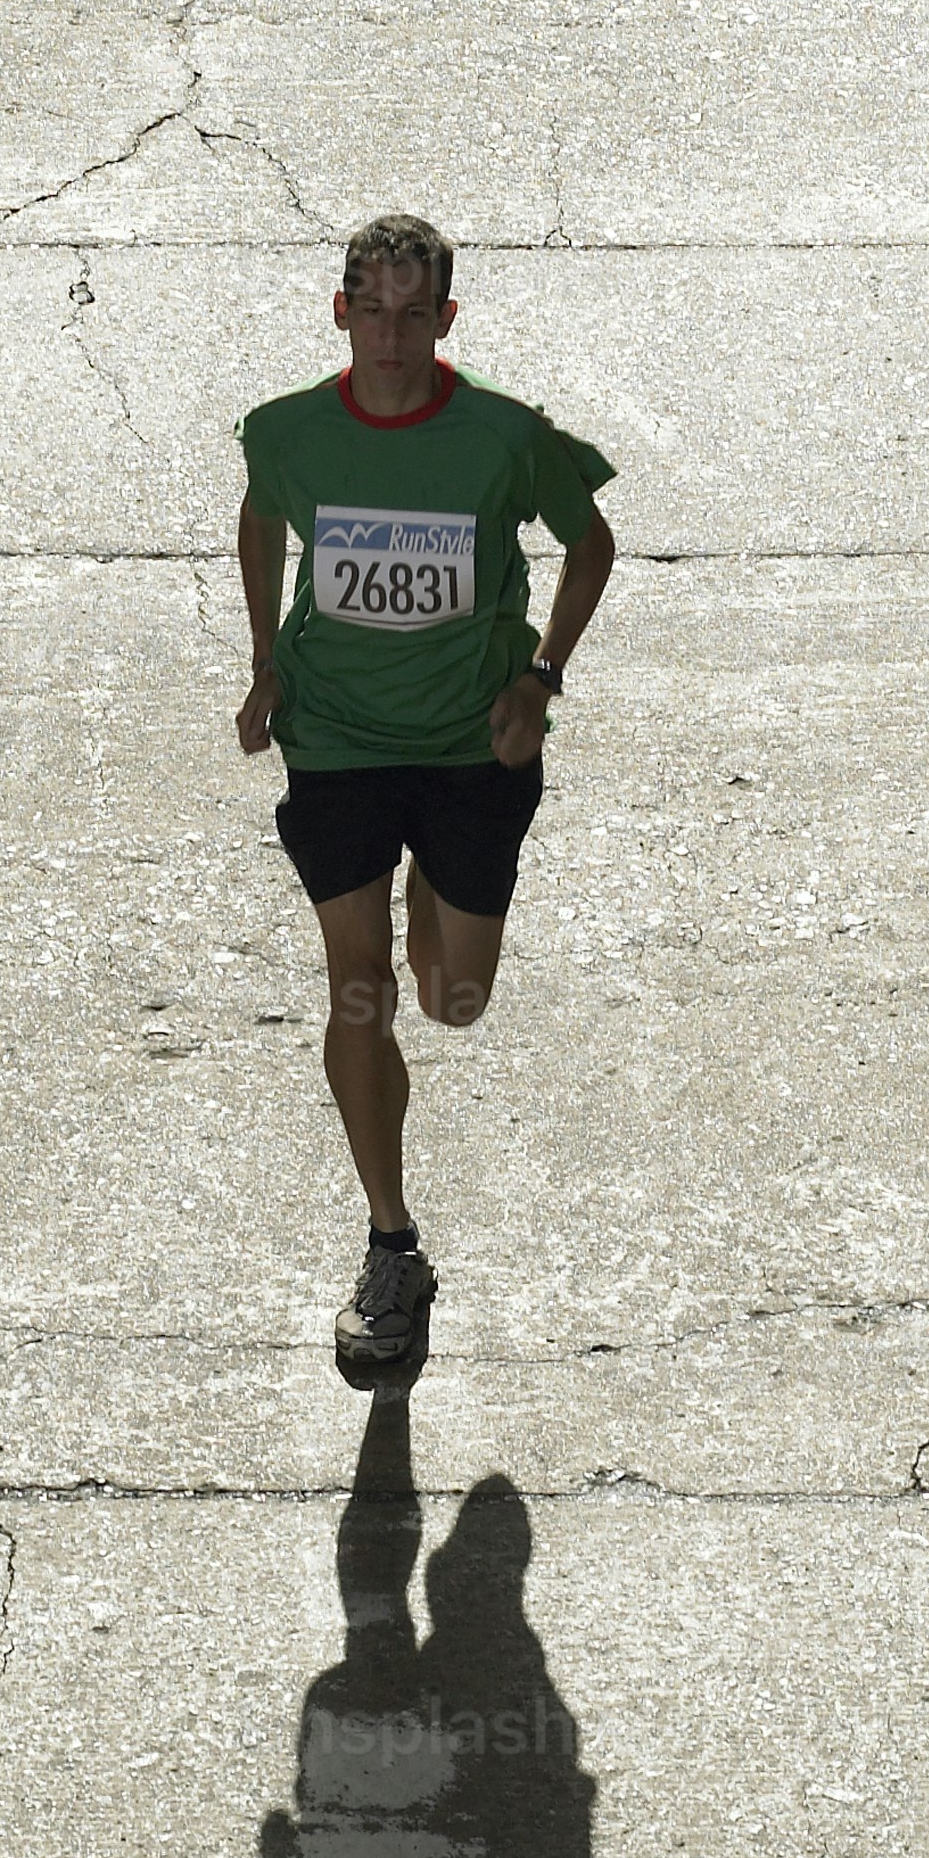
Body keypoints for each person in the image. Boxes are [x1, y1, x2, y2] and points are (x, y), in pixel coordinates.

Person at [234, 215, 617, 1374]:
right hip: (338, 741)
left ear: (444, 320)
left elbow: (590, 542)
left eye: (413, 316)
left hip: (469, 746)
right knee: (355, 994)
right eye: (370, 311)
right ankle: (390, 1243)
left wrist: (539, 678)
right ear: (337, 310)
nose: (388, 337)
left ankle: (427, 912)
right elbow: (259, 524)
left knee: (449, 1001)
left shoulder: (503, 436)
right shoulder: (285, 433)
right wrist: (262, 663)